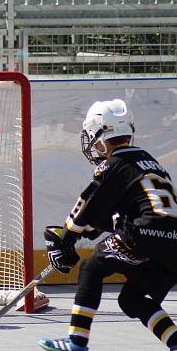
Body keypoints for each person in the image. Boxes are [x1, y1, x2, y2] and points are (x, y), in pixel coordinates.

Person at [38, 99, 177, 351]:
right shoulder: (148, 161)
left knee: (92, 267)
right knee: (133, 299)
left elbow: (85, 207)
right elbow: (114, 216)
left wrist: (66, 239)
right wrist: (83, 234)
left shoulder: (113, 165)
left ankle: (76, 342)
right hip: (173, 243)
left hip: (141, 234)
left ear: (101, 134)